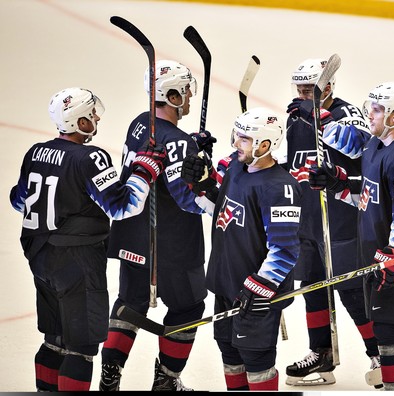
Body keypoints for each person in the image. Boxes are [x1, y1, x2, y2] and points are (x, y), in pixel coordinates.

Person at [9, 87, 165, 391]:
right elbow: (123, 206)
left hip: (40, 257)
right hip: (77, 262)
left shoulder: (35, 152)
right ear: (80, 122)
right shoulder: (90, 157)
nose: (96, 118)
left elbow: (18, 200)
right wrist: (144, 171)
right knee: (81, 346)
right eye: (91, 114)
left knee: (55, 339)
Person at [309, 82, 394, 390]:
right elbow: (369, 196)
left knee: (389, 330)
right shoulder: (374, 147)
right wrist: (339, 184)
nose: (370, 114)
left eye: (377, 110)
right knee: (390, 327)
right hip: (377, 256)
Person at [99, 60, 214, 391]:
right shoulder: (179, 142)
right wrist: (207, 181)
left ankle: (110, 378)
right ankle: (166, 380)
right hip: (173, 246)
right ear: (174, 96)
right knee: (189, 307)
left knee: (130, 303)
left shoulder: (140, 124)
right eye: (186, 92)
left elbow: (163, 150)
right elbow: (187, 199)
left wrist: (191, 148)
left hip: (132, 237)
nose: (190, 97)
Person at [182, 107, 302, 391]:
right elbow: (223, 210)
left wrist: (259, 285)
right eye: (237, 135)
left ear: (265, 145)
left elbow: (285, 249)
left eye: (244, 139)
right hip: (226, 286)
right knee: (230, 356)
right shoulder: (236, 168)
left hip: (255, 296)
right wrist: (203, 184)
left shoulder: (280, 188)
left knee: (257, 362)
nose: (236, 143)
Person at [283, 57, 379, 387]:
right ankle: (321, 354)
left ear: (327, 88)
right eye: (300, 89)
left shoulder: (345, 112)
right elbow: (290, 162)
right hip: (307, 219)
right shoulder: (295, 118)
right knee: (311, 287)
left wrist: (322, 121)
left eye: (310, 89)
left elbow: (364, 149)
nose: (303, 95)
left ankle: (378, 352)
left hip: (340, 218)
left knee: (351, 288)